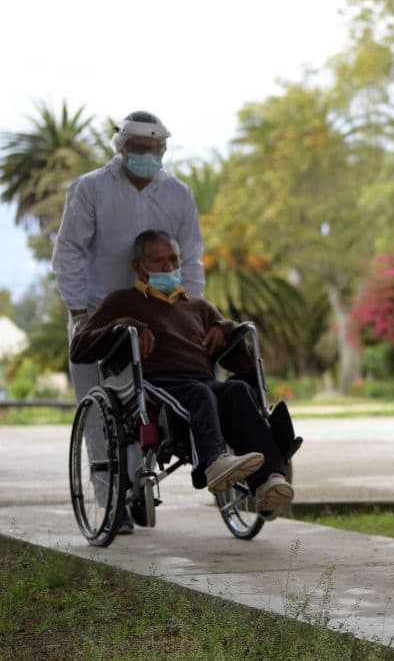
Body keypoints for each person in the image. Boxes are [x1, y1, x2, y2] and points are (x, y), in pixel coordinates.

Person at [53, 110, 205, 532]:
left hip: (157, 316)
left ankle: (137, 489)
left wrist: (191, 310)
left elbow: (190, 256)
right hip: (98, 316)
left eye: (154, 148)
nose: (147, 155)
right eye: (138, 148)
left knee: (146, 410)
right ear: (121, 148)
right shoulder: (90, 189)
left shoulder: (177, 194)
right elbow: (71, 251)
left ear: (164, 149)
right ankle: (112, 503)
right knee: (103, 417)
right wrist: (79, 311)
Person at [69, 230, 294, 514]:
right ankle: (213, 464)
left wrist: (225, 329)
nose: (169, 268)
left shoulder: (198, 307)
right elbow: (79, 348)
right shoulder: (121, 302)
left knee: (237, 390)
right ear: (139, 267)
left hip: (200, 380)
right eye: (159, 261)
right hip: (151, 381)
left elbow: (243, 364)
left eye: (173, 260)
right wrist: (126, 326)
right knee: (198, 394)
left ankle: (269, 480)